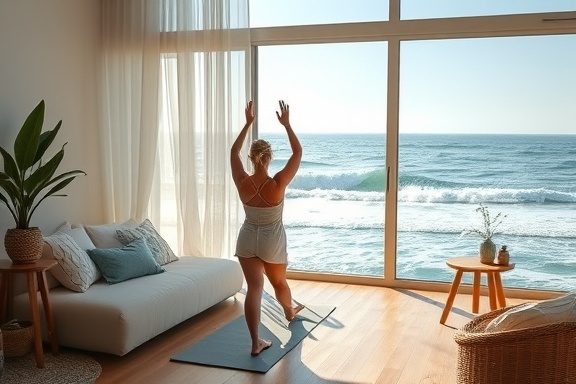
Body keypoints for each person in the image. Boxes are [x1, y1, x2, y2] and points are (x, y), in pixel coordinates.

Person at [230, 100, 305, 356]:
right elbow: (297, 153)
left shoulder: (242, 181)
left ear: (251, 158)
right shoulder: (278, 183)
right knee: (280, 283)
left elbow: (232, 152)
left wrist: (247, 123)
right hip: (272, 241)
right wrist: (287, 125)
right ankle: (289, 310)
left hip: (247, 240)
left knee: (254, 289)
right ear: (270, 157)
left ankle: (255, 343)